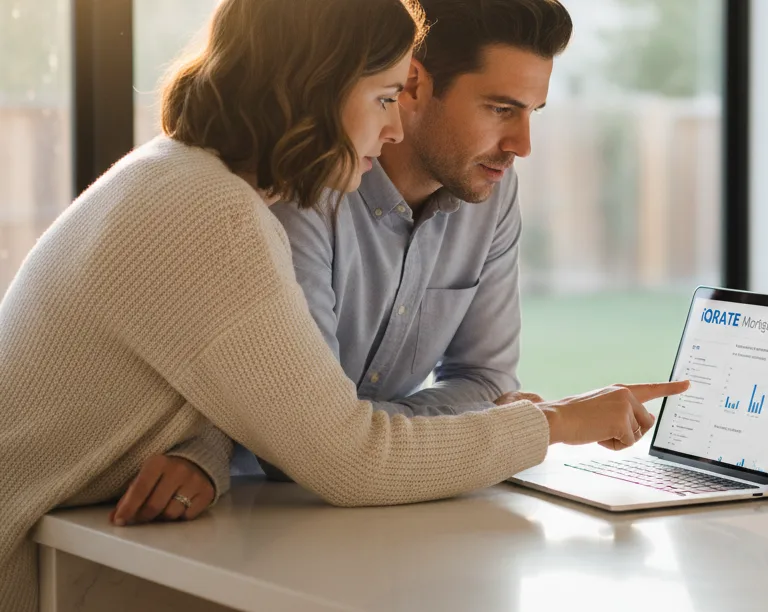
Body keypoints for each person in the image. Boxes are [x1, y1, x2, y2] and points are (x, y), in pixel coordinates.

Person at [0, 0, 689, 609]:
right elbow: (348, 458)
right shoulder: (217, 215)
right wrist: (554, 423)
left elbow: (235, 388)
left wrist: (211, 443)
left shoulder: (182, 181)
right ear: (319, 89)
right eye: (387, 97)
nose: (393, 130)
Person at [238, 0, 576, 479]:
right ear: (414, 85)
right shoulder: (305, 191)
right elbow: (302, 447)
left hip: (389, 507)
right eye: (501, 109)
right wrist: (494, 426)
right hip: (252, 512)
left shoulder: (492, 193)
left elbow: (486, 380)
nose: (521, 145)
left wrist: (369, 434)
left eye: (532, 113)